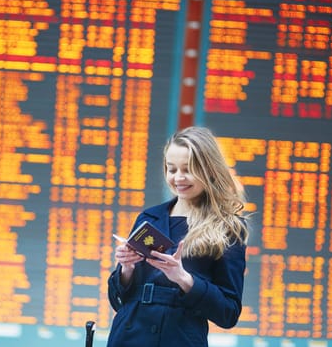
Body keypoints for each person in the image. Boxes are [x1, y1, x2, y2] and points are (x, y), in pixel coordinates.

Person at [107, 126, 249, 347]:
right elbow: (118, 301)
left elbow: (228, 313)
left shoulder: (229, 227)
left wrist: (183, 278)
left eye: (188, 169)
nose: (178, 178)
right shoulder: (149, 217)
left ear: (209, 170)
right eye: (171, 169)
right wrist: (126, 269)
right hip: (128, 337)